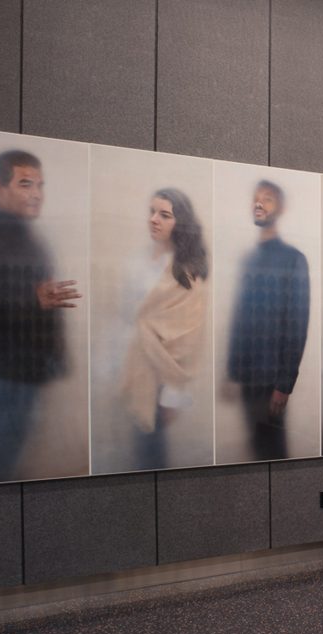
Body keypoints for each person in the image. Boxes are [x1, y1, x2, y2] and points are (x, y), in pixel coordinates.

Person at [0, 150, 81, 483]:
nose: (36, 193)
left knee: (15, 454)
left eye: (40, 185)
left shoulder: (26, 234)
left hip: (31, 366)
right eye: (25, 184)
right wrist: (29, 298)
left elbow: (42, 300)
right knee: (1, 458)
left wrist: (56, 357)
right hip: (10, 367)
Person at [120, 188, 209, 470]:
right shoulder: (139, 261)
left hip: (160, 380)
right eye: (152, 212)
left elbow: (187, 340)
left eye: (164, 215)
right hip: (134, 368)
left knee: (152, 454)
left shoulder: (187, 274)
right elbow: (128, 316)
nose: (154, 219)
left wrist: (172, 394)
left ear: (179, 223)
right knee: (136, 451)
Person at [226, 181, 310, 460]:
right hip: (247, 376)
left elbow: (297, 325)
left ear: (281, 208)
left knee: (273, 453)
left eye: (268, 199)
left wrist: (284, 384)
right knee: (255, 451)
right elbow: (239, 318)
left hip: (271, 379)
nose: (259, 203)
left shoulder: (293, 259)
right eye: (256, 198)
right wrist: (231, 372)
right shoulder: (248, 259)